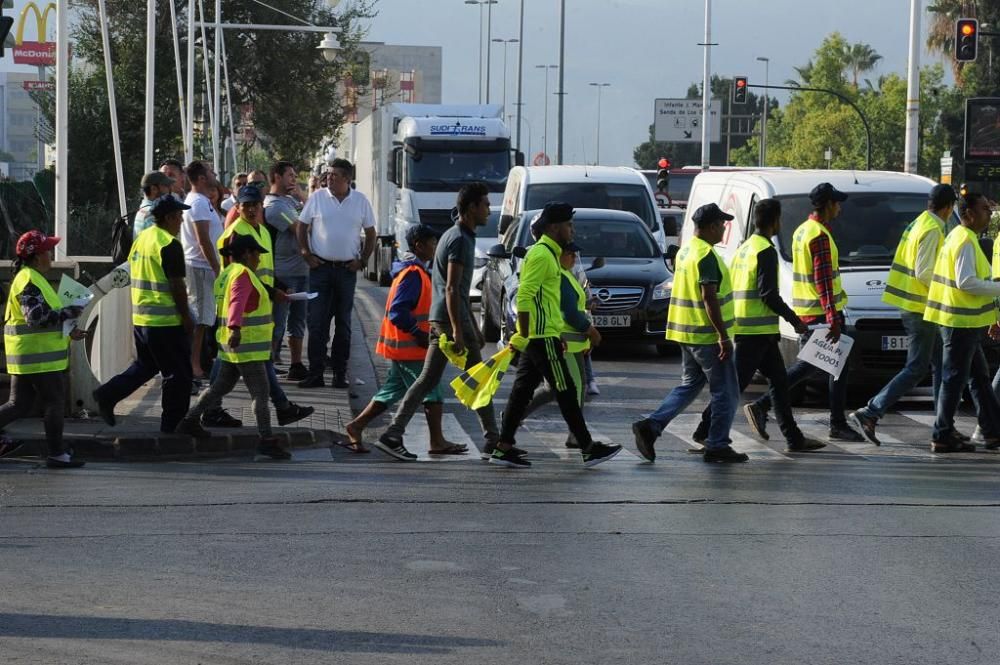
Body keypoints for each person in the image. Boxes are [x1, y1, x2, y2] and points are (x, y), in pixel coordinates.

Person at [491, 202, 621, 469]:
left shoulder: (549, 254)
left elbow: (546, 300)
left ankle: (503, 446)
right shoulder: (541, 255)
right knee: (566, 391)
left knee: (523, 391)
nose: (572, 230)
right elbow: (525, 295)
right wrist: (526, 335)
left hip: (544, 335)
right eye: (568, 225)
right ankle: (587, 447)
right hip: (540, 337)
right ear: (554, 227)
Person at [374, 183, 500, 460]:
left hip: (444, 319)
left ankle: (393, 433)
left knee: (428, 380)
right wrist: (459, 329)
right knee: (477, 379)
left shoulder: (454, 236)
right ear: (471, 208)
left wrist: (471, 327)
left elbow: (459, 288)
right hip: (450, 321)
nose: (489, 210)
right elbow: (453, 288)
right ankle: (494, 440)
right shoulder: (460, 240)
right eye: (486, 205)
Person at [692, 199, 823, 453]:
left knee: (780, 383)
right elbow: (768, 294)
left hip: (751, 329)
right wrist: (795, 320)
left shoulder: (745, 248)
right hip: (754, 333)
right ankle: (704, 430)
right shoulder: (765, 250)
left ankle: (793, 438)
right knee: (734, 387)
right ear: (776, 221)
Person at [743, 183, 863, 443]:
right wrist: (833, 316)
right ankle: (763, 405)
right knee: (810, 366)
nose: (840, 208)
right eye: (837, 203)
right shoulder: (818, 235)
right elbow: (823, 281)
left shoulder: (801, 231)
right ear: (828, 204)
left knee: (833, 366)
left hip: (809, 310)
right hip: (821, 313)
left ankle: (836, 423)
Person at [630, 203, 745, 464]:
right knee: (726, 392)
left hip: (686, 332)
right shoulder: (705, 255)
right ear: (711, 226)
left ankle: (651, 426)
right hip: (707, 337)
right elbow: (709, 297)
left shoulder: (686, 251)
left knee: (690, 385)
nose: (724, 229)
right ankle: (717, 444)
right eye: (722, 225)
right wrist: (723, 336)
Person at [848, 184, 957, 444]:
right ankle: (871, 411)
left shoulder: (919, 222)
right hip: (922, 309)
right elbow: (924, 272)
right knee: (918, 367)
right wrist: (949, 290)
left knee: (941, 368)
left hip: (917, 308)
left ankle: (944, 426)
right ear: (949, 207)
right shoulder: (933, 228)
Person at [346, 224, 468, 455]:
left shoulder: (416, 272)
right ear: (418, 246)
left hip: (406, 346)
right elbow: (397, 311)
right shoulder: (413, 274)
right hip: (411, 346)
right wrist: (417, 332)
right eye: (432, 244)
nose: (435, 248)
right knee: (431, 388)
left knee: (393, 390)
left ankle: (356, 425)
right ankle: (436, 441)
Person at [175, 235, 291, 460]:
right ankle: (266, 440)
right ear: (247, 253)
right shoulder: (243, 275)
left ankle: (189, 420)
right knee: (261, 393)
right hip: (246, 346)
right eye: (257, 253)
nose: (259, 258)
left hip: (230, 346)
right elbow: (237, 303)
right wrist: (236, 328)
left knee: (219, 388)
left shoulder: (227, 274)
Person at [93, 196, 201, 435]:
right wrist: (187, 317)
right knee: (179, 374)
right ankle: (173, 424)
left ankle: (107, 394)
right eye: (179, 216)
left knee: (146, 365)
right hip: (165, 321)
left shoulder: (142, 238)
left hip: (142, 318)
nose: (182, 220)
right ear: (170, 217)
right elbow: (176, 286)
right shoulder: (169, 244)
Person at [211, 185, 314, 427]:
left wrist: (278, 285)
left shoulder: (263, 231)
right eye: (245, 205)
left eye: (254, 205)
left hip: (258, 304)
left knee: (237, 361)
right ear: (238, 207)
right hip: (241, 306)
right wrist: (272, 290)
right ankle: (280, 410)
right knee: (241, 361)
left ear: (261, 207)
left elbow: (263, 269)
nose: (250, 209)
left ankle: (210, 410)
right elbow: (239, 274)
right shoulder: (237, 233)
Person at [0, 231, 87, 468]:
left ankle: (58, 452)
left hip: (29, 354)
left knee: (19, 404)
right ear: (37, 257)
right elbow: (35, 318)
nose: (51, 255)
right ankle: (58, 453)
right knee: (54, 402)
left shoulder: (29, 277)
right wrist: (69, 312)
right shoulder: (29, 280)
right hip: (39, 358)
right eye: (48, 251)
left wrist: (70, 330)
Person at [924, 191, 1000, 453]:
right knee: (955, 379)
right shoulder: (965, 240)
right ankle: (942, 434)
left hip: (960, 321)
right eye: (984, 209)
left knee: (978, 376)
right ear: (968, 214)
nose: (989, 214)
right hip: (959, 322)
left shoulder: (960, 236)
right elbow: (965, 282)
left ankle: (993, 431)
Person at [297, 158, 376, 389]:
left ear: (347, 179)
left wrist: (362, 260)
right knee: (317, 323)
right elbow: (302, 226)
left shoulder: (360, 201)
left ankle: (340, 374)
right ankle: (315, 373)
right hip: (320, 270)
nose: (328, 178)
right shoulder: (318, 198)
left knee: (343, 324)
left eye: (334, 175)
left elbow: (371, 234)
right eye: (328, 174)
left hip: (346, 272)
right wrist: (305, 252)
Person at [519, 240, 600, 448]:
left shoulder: (566, 275)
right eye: (570, 254)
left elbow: (574, 305)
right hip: (566, 343)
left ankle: (513, 415)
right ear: (560, 255)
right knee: (577, 387)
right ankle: (576, 435)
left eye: (575, 255)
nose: (574, 258)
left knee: (552, 389)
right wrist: (590, 331)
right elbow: (569, 313)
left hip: (567, 342)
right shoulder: (561, 277)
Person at [180, 160, 223, 395]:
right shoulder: (196, 203)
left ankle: (194, 364)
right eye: (210, 171)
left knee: (205, 317)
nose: (214, 173)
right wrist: (216, 267)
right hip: (199, 267)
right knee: (199, 318)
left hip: (204, 267)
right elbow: (203, 239)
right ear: (202, 178)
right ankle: (193, 365)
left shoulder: (203, 201)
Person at [264, 161, 309, 381]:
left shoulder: (290, 201)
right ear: (277, 177)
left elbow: (311, 217)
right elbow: (300, 227)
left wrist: (301, 197)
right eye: (290, 175)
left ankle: (296, 364)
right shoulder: (274, 206)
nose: (294, 179)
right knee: (278, 321)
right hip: (284, 272)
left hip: (301, 270)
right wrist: (303, 201)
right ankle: (268, 363)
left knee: (298, 321)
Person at [134, 171, 175, 238]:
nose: (169, 189)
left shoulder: (144, 208)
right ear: (154, 189)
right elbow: (158, 241)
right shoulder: (152, 213)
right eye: (165, 186)